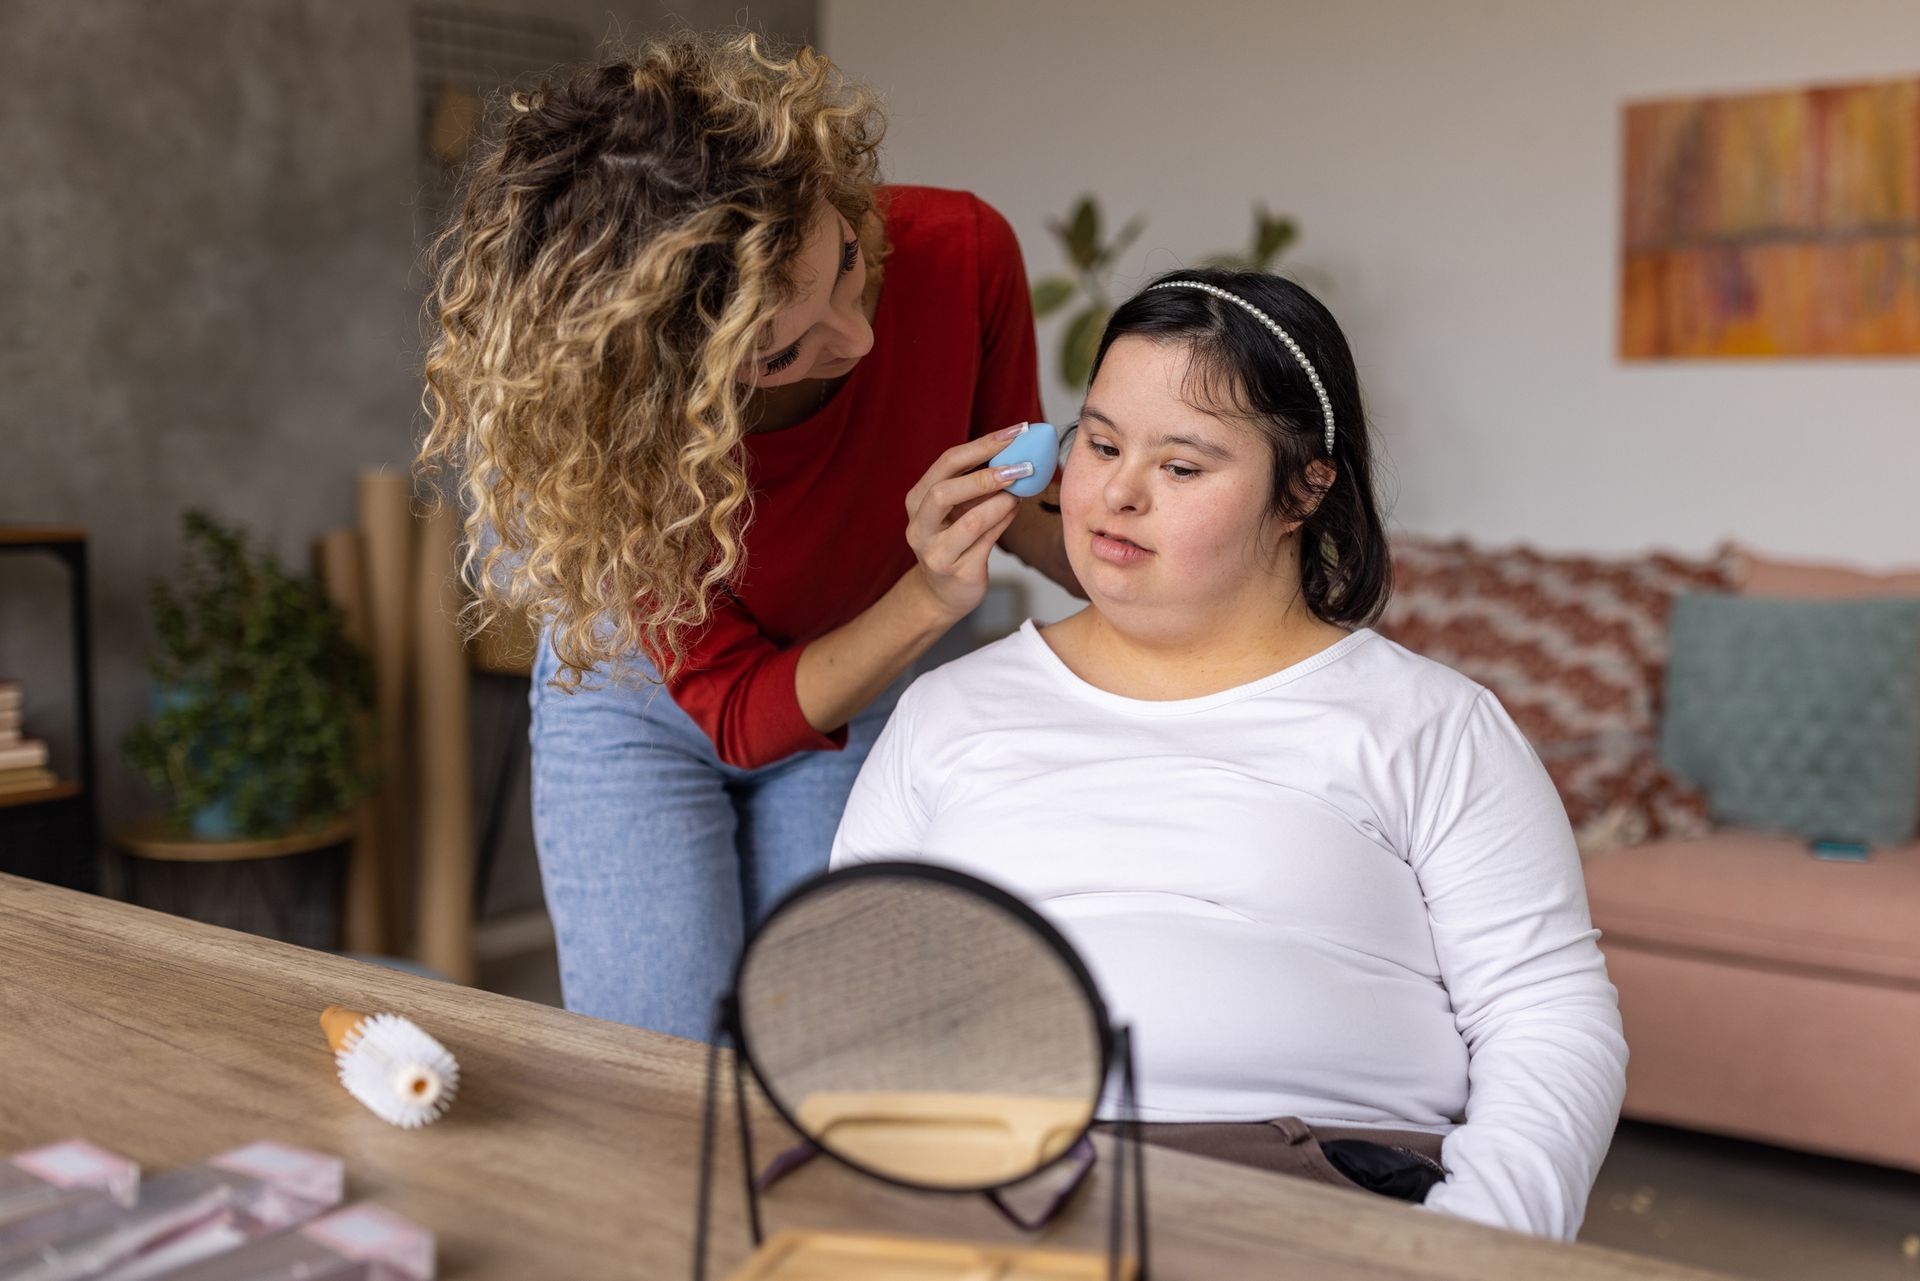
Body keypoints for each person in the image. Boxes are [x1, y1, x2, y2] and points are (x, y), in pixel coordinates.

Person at [830, 268, 1628, 1239]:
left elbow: (1546, 1015)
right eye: (1102, 443)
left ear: (1302, 490)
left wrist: (1472, 1247)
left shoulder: (1428, 724)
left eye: (1182, 467)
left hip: (1303, 1195)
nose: (1117, 494)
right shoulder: (951, 710)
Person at [418, 31, 1075, 1040]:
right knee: (660, 1072)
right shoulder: (622, 445)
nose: (854, 337)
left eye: (846, 263)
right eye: (780, 350)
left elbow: (1019, 508)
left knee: (823, 1043)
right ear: (666, 383)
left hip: (859, 686)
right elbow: (737, 713)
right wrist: (932, 597)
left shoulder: (960, 254)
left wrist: (1201, 585)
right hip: (638, 707)